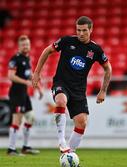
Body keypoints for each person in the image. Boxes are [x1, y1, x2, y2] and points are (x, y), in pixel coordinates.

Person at [32, 16, 112, 153]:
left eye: (84, 30)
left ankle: (69, 153)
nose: (81, 33)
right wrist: (37, 72)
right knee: (60, 101)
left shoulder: (95, 50)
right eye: (78, 30)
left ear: (91, 29)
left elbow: (108, 68)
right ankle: (61, 140)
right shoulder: (67, 41)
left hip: (79, 90)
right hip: (61, 83)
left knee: (82, 122)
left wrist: (103, 90)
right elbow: (47, 50)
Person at [7, 35, 43, 155]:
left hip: (24, 93)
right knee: (17, 120)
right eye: (23, 45)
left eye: (27, 44)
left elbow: (30, 75)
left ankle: (25, 147)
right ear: (19, 46)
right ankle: (11, 149)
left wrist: (39, 87)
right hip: (16, 93)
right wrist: (26, 82)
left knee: (30, 118)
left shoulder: (27, 59)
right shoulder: (15, 59)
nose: (25, 46)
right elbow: (11, 76)